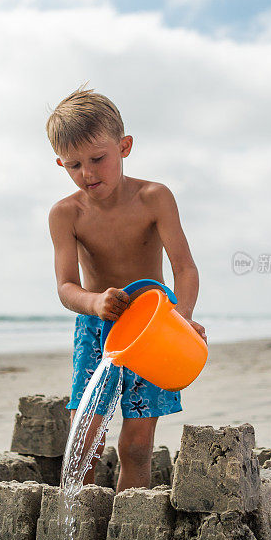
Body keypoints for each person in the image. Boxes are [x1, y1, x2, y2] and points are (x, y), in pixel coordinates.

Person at [46, 84, 207, 492]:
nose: (88, 173)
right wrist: (96, 301)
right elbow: (66, 287)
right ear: (60, 163)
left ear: (125, 146)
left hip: (153, 328)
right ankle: (82, 531)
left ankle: (127, 532)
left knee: (136, 445)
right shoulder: (67, 214)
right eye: (74, 165)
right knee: (85, 441)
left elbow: (185, 268)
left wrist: (182, 320)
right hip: (97, 329)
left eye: (98, 158)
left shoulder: (154, 198)